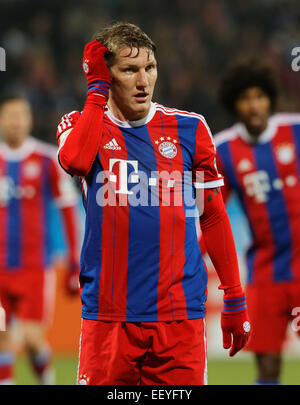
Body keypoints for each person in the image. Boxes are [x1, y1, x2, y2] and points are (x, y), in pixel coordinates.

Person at [56, 22, 250, 385]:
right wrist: (96, 91)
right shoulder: (80, 125)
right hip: (109, 316)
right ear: (105, 74)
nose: (144, 80)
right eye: (129, 70)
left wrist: (234, 297)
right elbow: (77, 162)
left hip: (179, 318)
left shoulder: (190, 128)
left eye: (150, 68)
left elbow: (213, 216)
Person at [214, 59, 300, 385]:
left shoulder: (296, 130)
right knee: (267, 369)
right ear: (233, 103)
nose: (253, 105)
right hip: (265, 275)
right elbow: (211, 213)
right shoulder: (223, 150)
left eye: (260, 96)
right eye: (245, 98)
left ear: (271, 98)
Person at [0, 94, 80, 385]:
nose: (15, 122)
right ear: (1, 120)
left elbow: (68, 210)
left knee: (33, 339)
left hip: (34, 267)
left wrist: (74, 260)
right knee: (2, 338)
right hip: (0, 270)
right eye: (10, 115)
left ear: (29, 120)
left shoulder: (47, 159)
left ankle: (47, 381)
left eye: (20, 115)